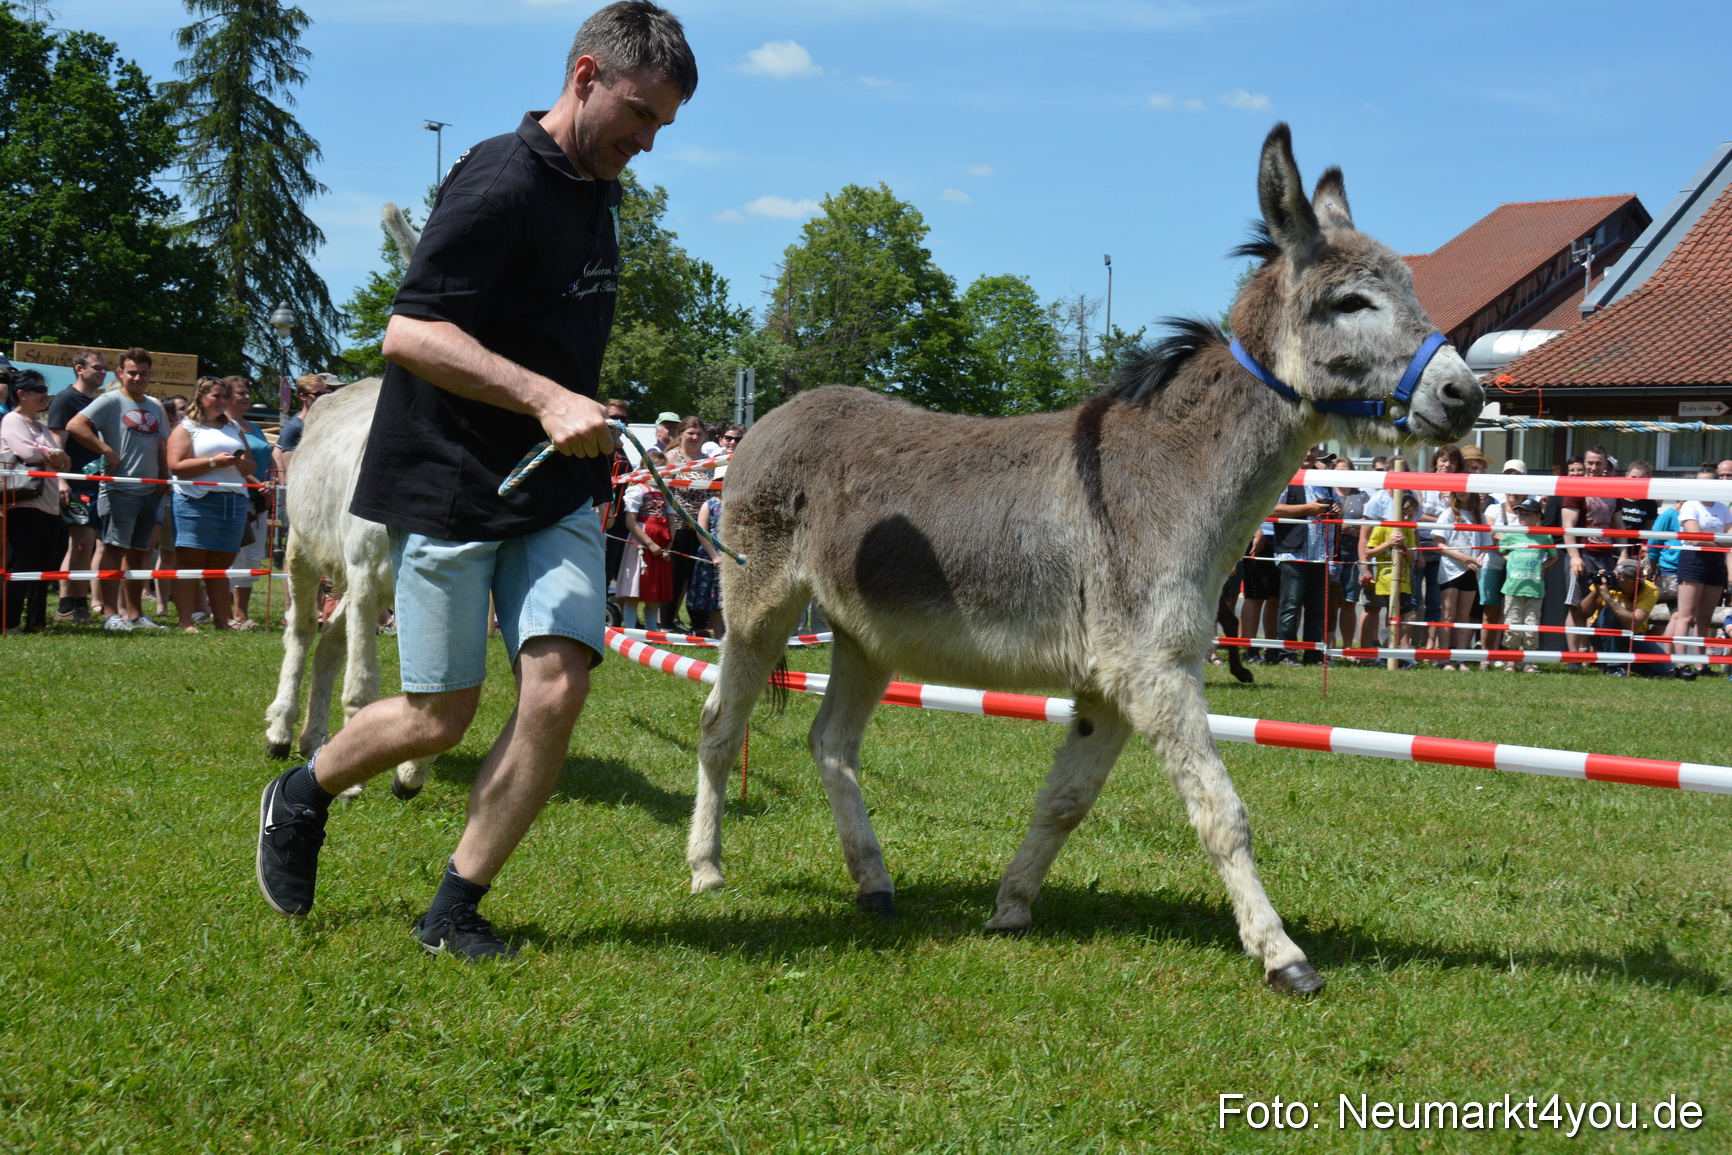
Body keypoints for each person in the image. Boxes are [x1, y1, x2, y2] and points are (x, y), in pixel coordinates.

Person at [254, 0, 698, 961]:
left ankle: (455, 905)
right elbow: (408, 334)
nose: (647, 142)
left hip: (550, 489)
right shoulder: (498, 178)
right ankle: (302, 791)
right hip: (455, 484)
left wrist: (578, 411)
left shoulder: (595, 187)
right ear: (585, 76)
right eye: (639, 114)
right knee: (437, 717)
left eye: (662, 125)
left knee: (555, 688)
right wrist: (545, 395)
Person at [65, 347, 169, 630]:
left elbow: (162, 444)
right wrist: (107, 451)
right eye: (132, 372)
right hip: (118, 489)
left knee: (138, 552)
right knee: (113, 549)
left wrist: (164, 480)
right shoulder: (110, 400)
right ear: (120, 373)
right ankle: (111, 614)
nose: (138, 378)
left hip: (150, 490)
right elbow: (75, 425)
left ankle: (135, 615)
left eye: (143, 373)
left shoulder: (155, 405)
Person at [166, 378, 255, 632]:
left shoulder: (234, 427)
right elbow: (176, 466)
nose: (222, 402)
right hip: (196, 501)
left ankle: (222, 621)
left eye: (225, 397)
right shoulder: (186, 427)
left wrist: (243, 465)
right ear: (200, 397)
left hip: (233, 501)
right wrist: (214, 462)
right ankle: (186, 622)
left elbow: (251, 464)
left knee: (220, 565)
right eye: (216, 396)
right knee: (190, 564)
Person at [1, 372, 73, 632]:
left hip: (49, 504)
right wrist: (51, 454)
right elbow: (26, 453)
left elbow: (65, 461)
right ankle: (7, 622)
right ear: (21, 394)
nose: (46, 395)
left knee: (43, 567)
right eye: (40, 389)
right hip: (23, 503)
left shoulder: (41, 427)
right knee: (20, 564)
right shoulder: (12, 419)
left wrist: (51, 455)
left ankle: (36, 622)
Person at [48, 349, 109, 623]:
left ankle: (78, 603)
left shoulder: (95, 401)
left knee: (86, 544)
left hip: (96, 482)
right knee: (80, 542)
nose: (101, 372)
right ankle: (66, 605)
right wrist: (59, 479)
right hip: (73, 481)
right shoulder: (65, 399)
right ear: (79, 369)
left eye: (104, 368)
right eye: (96, 367)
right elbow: (55, 446)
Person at [1558, 447, 1617, 660]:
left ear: (1605, 464)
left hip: (1606, 555)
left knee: (1601, 606)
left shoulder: (1612, 489)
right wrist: (1574, 556)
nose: (1593, 468)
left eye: (1598, 463)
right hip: (1582, 555)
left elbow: (1617, 525)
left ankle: (1596, 656)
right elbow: (1568, 526)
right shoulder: (1576, 488)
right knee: (1576, 607)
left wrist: (1625, 555)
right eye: (1590, 463)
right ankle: (1574, 658)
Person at [223, 376, 273, 628]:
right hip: (241, 497)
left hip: (262, 499)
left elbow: (268, 455)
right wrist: (257, 484)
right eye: (240, 393)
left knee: (253, 556)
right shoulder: (225, 427)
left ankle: (242, 613)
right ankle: (227, 613)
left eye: (247, 393)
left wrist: (272, 483)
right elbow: (238, 462)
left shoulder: (254, 427)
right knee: (237, 555)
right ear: (228, 397)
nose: (246, 397)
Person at [1671, 483, 1730, 675]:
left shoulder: (1723, 508)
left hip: (1716, 562)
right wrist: (1719, 541)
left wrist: (1712, 541)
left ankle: (1701, 664)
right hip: (1693, 560)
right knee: (1685, 616)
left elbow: (1730, 538)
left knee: (1705, 617)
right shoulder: (1690, 505)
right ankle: (1681, 664)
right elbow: (1694, 538)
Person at [1580, 557, 1674, 679]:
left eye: (1623, 582)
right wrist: (1596, 592)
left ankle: (1626, 665)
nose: (1618, 583)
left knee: (1667, 671)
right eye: (1618, 579)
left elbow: (1634, 623)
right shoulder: (1606, 582)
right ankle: (1614, 666)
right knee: (1610, 611)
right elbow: (1582, 614)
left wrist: (1608, 598)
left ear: (1636, 583)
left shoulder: (1649, 589)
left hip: (1633, 637)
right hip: (1601, 635)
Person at [661, 415, 711, 632]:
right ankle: (667, 623)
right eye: (690, 432)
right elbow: (664, 492)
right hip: (680, 526)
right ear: (681, 433)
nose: (694, 437)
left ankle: (699, 625)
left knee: (699, 577)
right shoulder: (671, 458)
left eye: (699, 433)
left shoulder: (708, 460)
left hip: (705, 528)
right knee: (676, 576)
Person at [618, 451, 673, 628]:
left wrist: (668, 547)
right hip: (641, 543)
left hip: (662, 543)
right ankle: (631, 632)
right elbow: (630, 522)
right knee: (634, 592)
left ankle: (652, 634)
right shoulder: (637, 490)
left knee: (653, 595)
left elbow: (672, 522)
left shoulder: (666, 492)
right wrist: (649, 543)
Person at [1499, 496, 1554, 674]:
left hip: (1534, 589)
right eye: (1520, 513)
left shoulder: (1545, 536)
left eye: (1528, 514)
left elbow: (1554, 556)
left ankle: (1528, 662)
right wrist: (1511, 561)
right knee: (1512, 624)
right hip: (1513, 588)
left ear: (1538, 516)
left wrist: (1540, 567)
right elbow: (1501, 551)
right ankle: (1511, 662)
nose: (1523, 517)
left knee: (1531, 626)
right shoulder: (1512, 534)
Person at [1360, 492, 1419, 657]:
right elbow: (1368, 553)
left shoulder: (1409, 531)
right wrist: (1388, 543)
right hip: (1386, 581)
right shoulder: (1382, 527)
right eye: (1404, 514)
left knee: (1404, 617)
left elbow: (1412, 558)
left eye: (1411, 515)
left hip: (1404, 581)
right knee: (1401, 615)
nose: (1407, 518)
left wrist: (1404, 544)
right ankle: (1386, 648)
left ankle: (1387, 648)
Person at [271, 373, 338, 481]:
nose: (323, 399)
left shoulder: (329, 423)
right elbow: (292, 471)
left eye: (325, 394)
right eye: (317, 395)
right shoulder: (293, 428)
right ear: (303, 396)